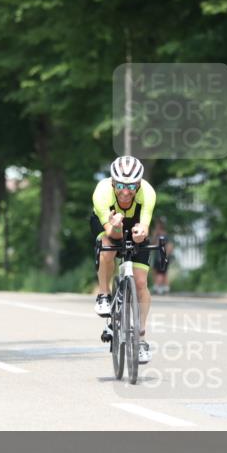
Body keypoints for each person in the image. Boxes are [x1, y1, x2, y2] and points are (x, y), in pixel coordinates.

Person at [91, 156, 156, 365]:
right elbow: (113, 233)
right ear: (112, 183)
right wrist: (116, 226)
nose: (125, 192)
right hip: (109, 225)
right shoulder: (102, 194)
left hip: (134, 223)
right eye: (120, 185)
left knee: (140, 282)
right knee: (108, 250)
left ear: (138, 185)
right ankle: (103, 294)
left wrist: (140, 234)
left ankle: (142, 339)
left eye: (131, 186)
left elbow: (144, 226)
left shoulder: (148, 193)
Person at [151, 218, 174, 295]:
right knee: (157, 271)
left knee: (161, 273)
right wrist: (155, 234)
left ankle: (159, 287)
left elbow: (170, 246)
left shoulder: (165, 236)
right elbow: (153, 243)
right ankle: (161, 287)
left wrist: (165, 256)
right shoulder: (157, 235)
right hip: (157, 257)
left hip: (162, 257)